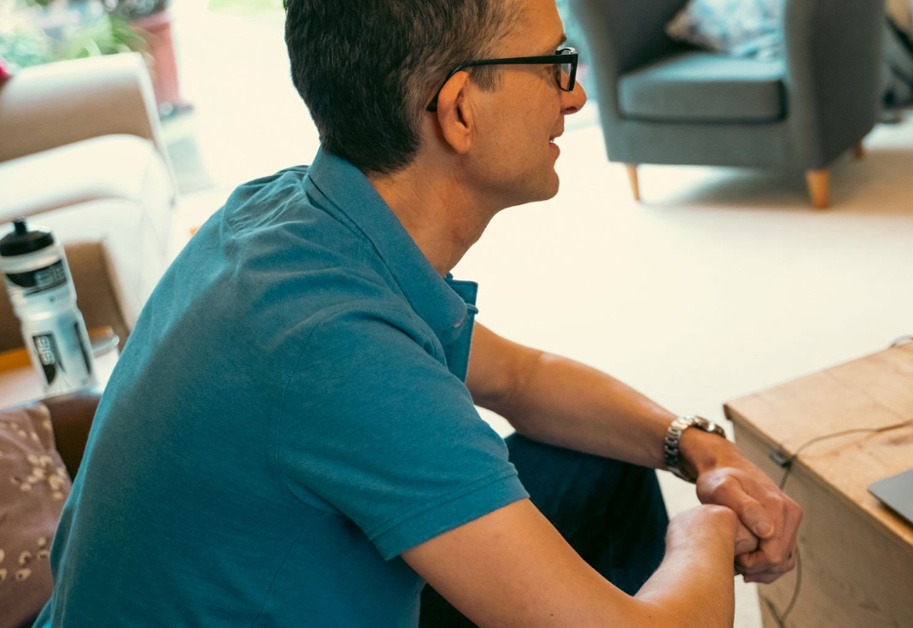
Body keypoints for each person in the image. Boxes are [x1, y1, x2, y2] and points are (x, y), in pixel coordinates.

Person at [37, 0, 800, 625]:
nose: (576, 96)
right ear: (460, 110)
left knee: (600, 461)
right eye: (555, 66)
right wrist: (704, 530)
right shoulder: (338, 353)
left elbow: (521, 378)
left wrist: (695, 448)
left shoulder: (284, 214)